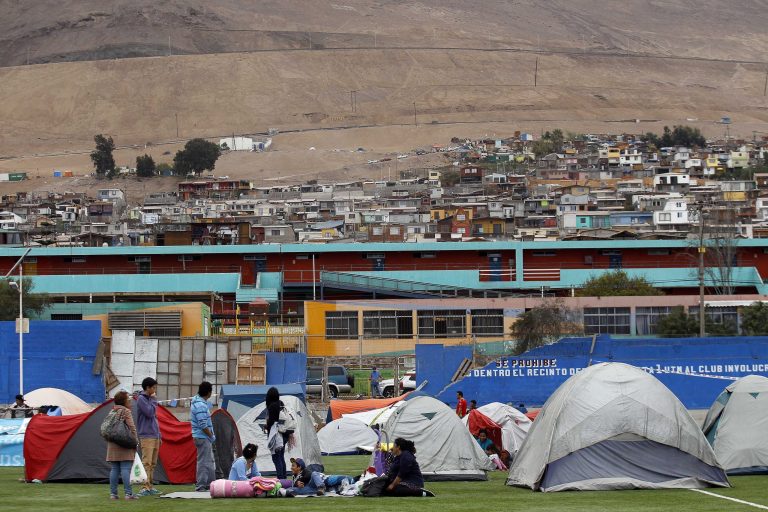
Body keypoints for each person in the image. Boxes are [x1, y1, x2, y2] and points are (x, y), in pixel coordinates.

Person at [106, 390, 139, 500]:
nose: (130, 402)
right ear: (124, 401)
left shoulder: (112, 411)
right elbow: (132, 427)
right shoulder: (126, 411)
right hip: (125, 443)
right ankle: (128, 494)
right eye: (128, 400)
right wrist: (135, 441)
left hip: (112, 442)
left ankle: (113, 494)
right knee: (125, 468)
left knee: (114, 469)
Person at [136, 377, 162, 496]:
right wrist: (153, 400)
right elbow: (150, 413)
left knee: (153, 462)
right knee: (147, 462)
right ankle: (144, 487)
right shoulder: (142, 399)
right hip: (146, 435)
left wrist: (159, 435)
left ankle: (150, 485)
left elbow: (155, 418)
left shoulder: (150, 399)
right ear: (148, 388)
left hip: (154, 435)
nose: (155, 389)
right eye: (153, 387)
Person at [191, 381, 215, 492]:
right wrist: (211, 436)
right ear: (208, 392)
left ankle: (210, 485)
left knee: (208, 461)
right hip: (203, 436)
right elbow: (203, 424)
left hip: (201, 436)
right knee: (203, 462)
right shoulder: (200, 405)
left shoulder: (198, 402)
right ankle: (201, 485)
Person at [265, 386, 287, 479]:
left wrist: (266, 426)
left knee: (276, 458)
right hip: (284, 433)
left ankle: (280, 478)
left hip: (276, 435)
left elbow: (272, 422)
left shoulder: (272, 406)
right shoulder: (281, 404)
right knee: (281, 457)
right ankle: (284, 477)